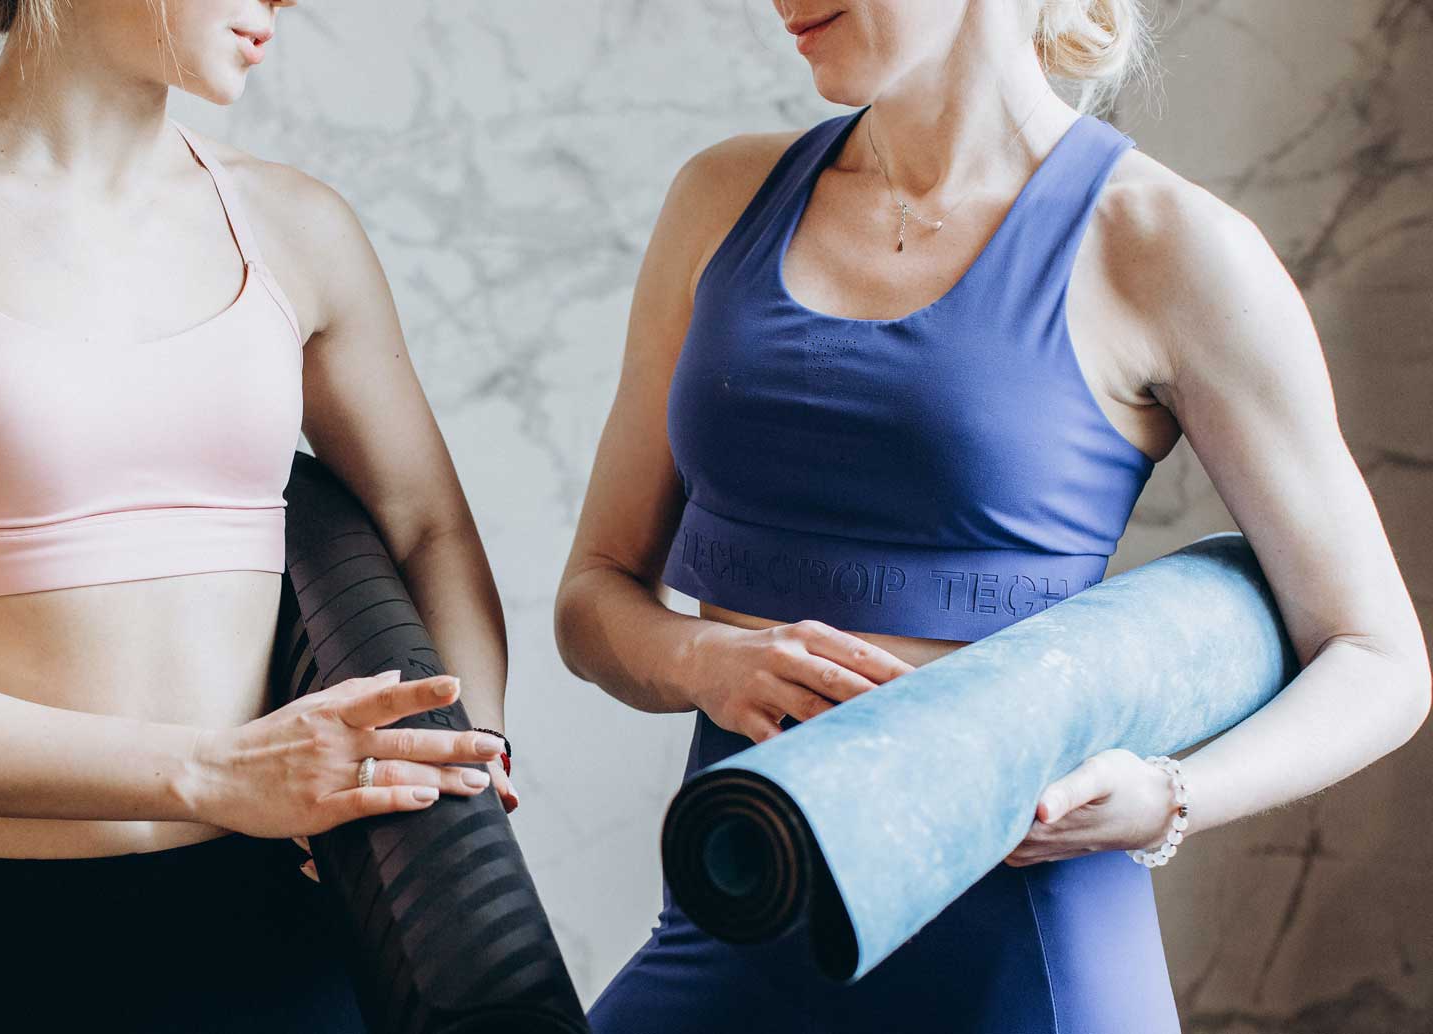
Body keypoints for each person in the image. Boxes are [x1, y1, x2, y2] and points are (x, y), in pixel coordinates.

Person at [553, 0, 1430, 1030]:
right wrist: (705, 661)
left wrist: (1169, 796)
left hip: (1026, 957)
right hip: (740, 913)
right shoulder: (721, 197)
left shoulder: (1166, 242)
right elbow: (593, 594)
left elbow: (1378, 656)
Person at [0, 1, 518, 1030]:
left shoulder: (296, 225)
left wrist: (461, 770)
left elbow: (428, 529)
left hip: (293, 942)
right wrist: (211, 772)